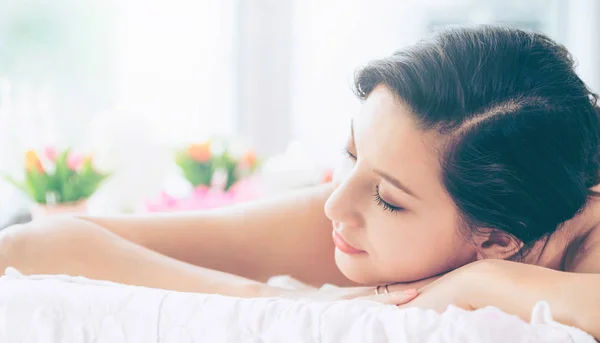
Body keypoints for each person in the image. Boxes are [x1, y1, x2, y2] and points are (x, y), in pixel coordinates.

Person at [1, 25, 600, 338]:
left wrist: (487, 282)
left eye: (387, 199)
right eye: (349, 154)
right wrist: (272, 301)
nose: (337, 203)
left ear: (496, 238)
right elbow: (34, 246)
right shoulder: (370, 207)